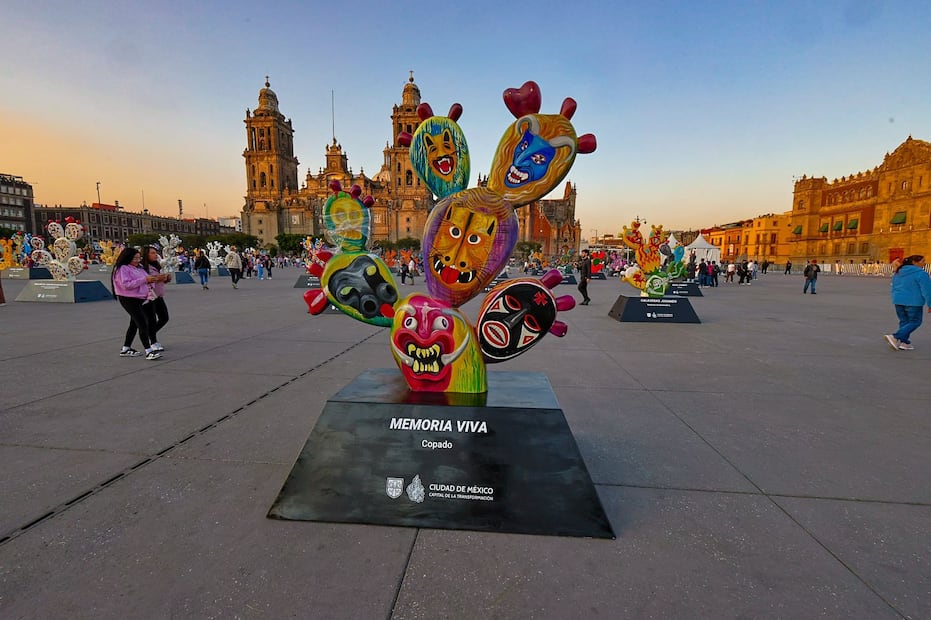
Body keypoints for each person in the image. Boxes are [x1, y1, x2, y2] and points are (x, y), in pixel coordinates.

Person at [111, 247, 166, 360]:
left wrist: (154, 280)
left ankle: (126, 348)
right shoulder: (122, 269)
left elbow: (146, 280)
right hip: (128, 298)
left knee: (134, 324)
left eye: (138, 258)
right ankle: (148, 350)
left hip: (141, 298)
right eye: (135, 258)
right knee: (142, 323)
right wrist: (145, 280)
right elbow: (127, 284)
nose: (137, 260)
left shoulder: (139, 268)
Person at [885, 255, 931, 351]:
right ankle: (895, 337)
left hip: (898, 301)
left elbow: (894, 286)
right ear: (914, 262)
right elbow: (927, 290)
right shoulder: (921, 273)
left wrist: (895, 298)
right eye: (923, 261)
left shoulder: (898, 272)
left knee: (905, 322)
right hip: (914, 301)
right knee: (915, 321)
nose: (925, 263)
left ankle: (904, 343)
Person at [140, 245, 169, 352]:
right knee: (151, 320)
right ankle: (153, 342)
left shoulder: (156, 265)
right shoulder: (142, 267)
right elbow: (144, 280)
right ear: (146, 254)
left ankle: (149, 334)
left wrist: (165, 279)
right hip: (149, 296)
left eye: (155, 252)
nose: (155, 255)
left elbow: (158, 279)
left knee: (164, 317)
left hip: (158, 295)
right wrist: (157, 278)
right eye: (152, 253)